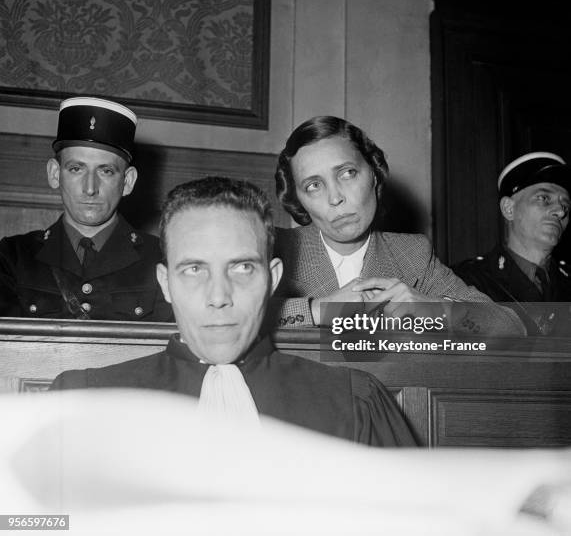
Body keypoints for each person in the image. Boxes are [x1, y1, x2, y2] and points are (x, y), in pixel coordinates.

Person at [51, 177, 416, 446]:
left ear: (272, 279)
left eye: (242, 268)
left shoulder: (355, 403)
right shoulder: (83, 403)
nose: (218, 296)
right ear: (165, 283)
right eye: (194, 269)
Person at [273, 116, 524, 336]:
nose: (335, 197)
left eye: (347, 173)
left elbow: (511, 327)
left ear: (373, 173)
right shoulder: (278, 249)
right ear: (299, 200)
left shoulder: (412, 254)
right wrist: (317, 310)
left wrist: (436, 309)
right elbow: (238, 317)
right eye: (313, 186)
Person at [0, 97, 172, 321]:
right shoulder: (12, 258)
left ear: (128, 181)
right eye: (76, 168)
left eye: (106, 171)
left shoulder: (162, 259)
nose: (90, 188)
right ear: (54, 174)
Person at [454, 152, 571, 336]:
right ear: (509, 209)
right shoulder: (465, 281)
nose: (560, 211)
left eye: (565, 205)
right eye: (544, 198)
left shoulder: (566, 281)